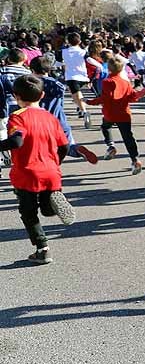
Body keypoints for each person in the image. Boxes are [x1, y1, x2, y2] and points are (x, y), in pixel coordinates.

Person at [1, 75, 74, 264]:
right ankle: (51, 204)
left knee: (28, 213)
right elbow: (64, 146)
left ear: (15, 96)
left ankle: (42, 249)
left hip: (26, 173)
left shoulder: (17, 117)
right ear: (42, 95)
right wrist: (55, 162)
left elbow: (17, 141)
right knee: (46, 207)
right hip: (51, 171)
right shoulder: (50, 117)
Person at [86, 53, 142, 174]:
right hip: (124, 113)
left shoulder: (107, 82)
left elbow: (105, 98)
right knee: (128, 137)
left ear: (109, 68)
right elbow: (133, 97)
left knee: (105, 127)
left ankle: (111, 146)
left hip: (110, 112)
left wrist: (90, 102)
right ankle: (135, 159)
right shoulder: (126, 82)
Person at [61, 32, 91, 127]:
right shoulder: (83, 52)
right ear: (80, 41)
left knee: (75, 95)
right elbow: (89, 60)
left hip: (71, 77)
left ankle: (84, 111)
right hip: (83, 76)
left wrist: (61, 65)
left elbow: (58, 63)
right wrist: (100, 66)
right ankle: (81, 108)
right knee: (76, 95)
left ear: (67, 41)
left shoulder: (63, 52)